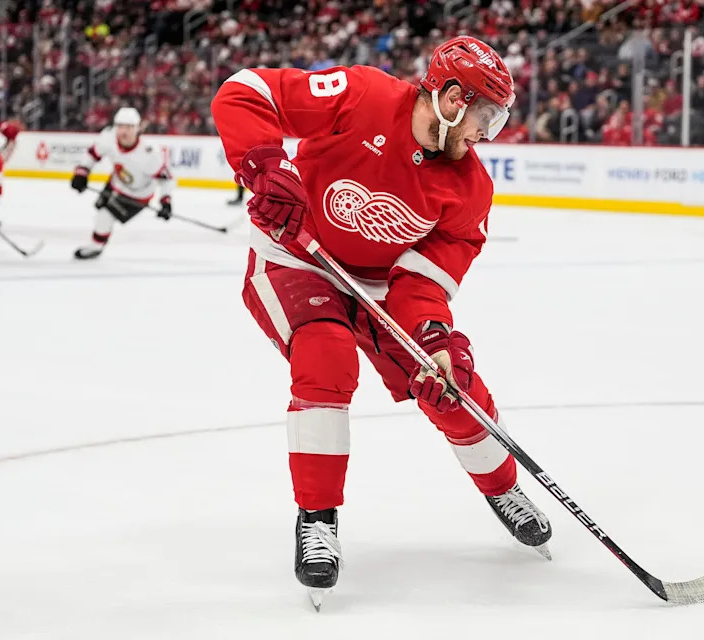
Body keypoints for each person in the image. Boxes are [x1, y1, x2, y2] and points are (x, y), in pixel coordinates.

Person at [210, 35, 552, 608]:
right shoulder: (363, 95)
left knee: (451, 388)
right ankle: (317, 519)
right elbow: (244, 93)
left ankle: (505, 488)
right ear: (448, 98)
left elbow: (422, 286)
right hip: (297, 255)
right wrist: (266, 165)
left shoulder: (470, 188)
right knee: (326, 355)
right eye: (483, 116)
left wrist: (434, 340)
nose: (483, 134)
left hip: (378, 286)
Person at [69, 107, 174, 260]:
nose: (124, 132)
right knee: (101, 210)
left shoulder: (150, 154)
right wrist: (82, 173)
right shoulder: (108, 137)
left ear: (138, 128)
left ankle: (96, 246)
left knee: (105, 215)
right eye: (120, 126)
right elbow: (92, 155)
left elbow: (166, 179)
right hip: (116, 183)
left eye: (129, 127)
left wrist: (166, 201)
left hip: (138, 195)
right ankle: (99, 241)